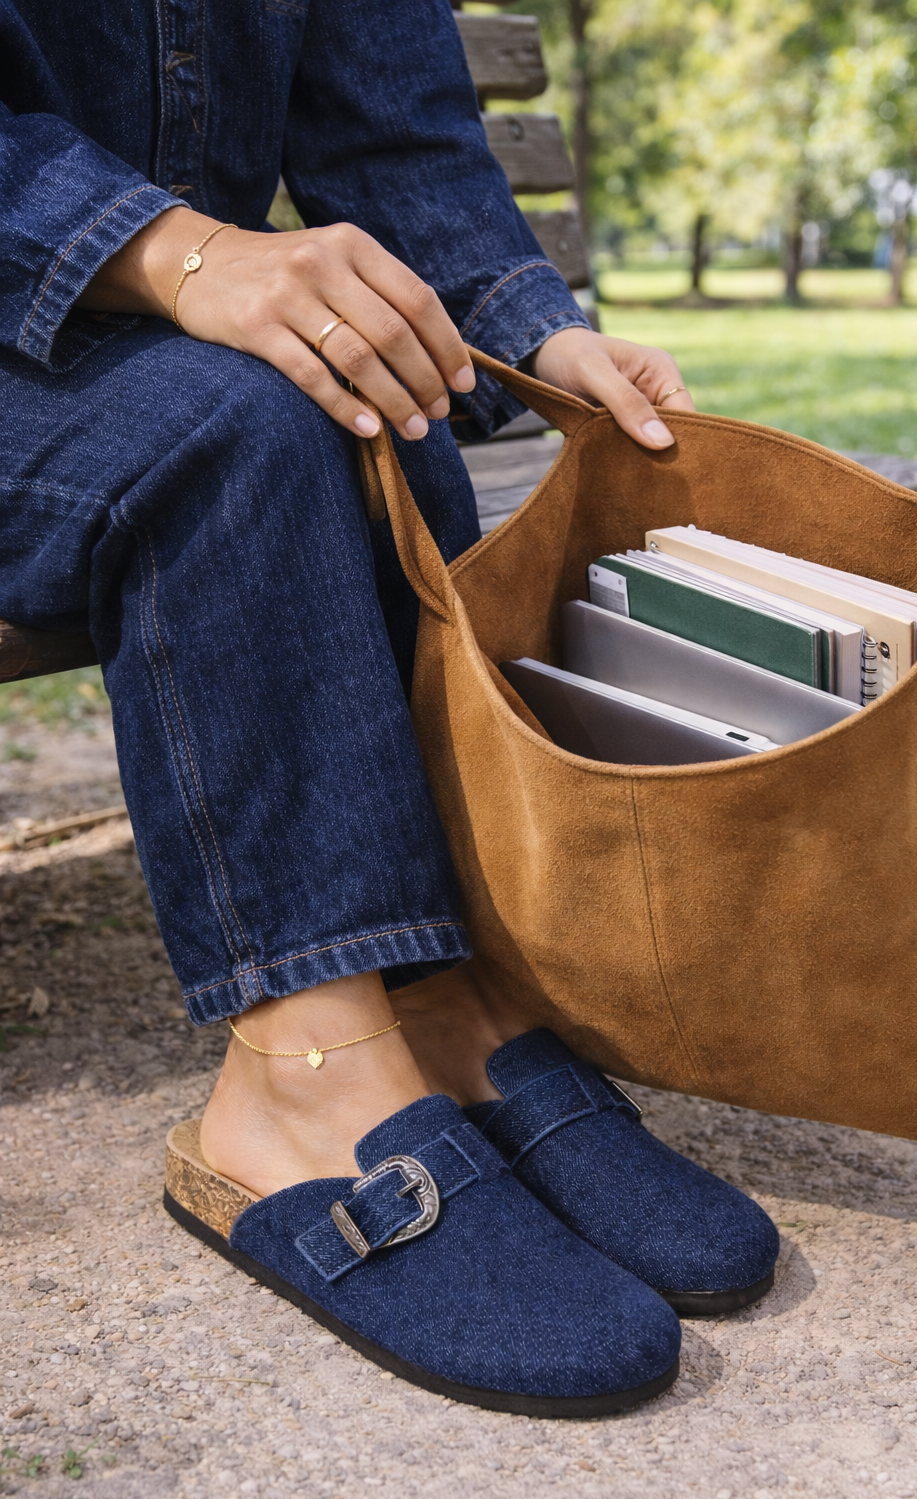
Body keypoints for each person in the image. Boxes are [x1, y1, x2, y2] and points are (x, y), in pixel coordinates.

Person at [0, 0, 778, 1415]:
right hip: (105, 352)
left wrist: (544, 334)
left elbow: (392, 124)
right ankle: (298, 1089)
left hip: (169, 350)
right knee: (230, 432)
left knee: (380, 422)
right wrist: (183, 253)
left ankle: (432, 1001)